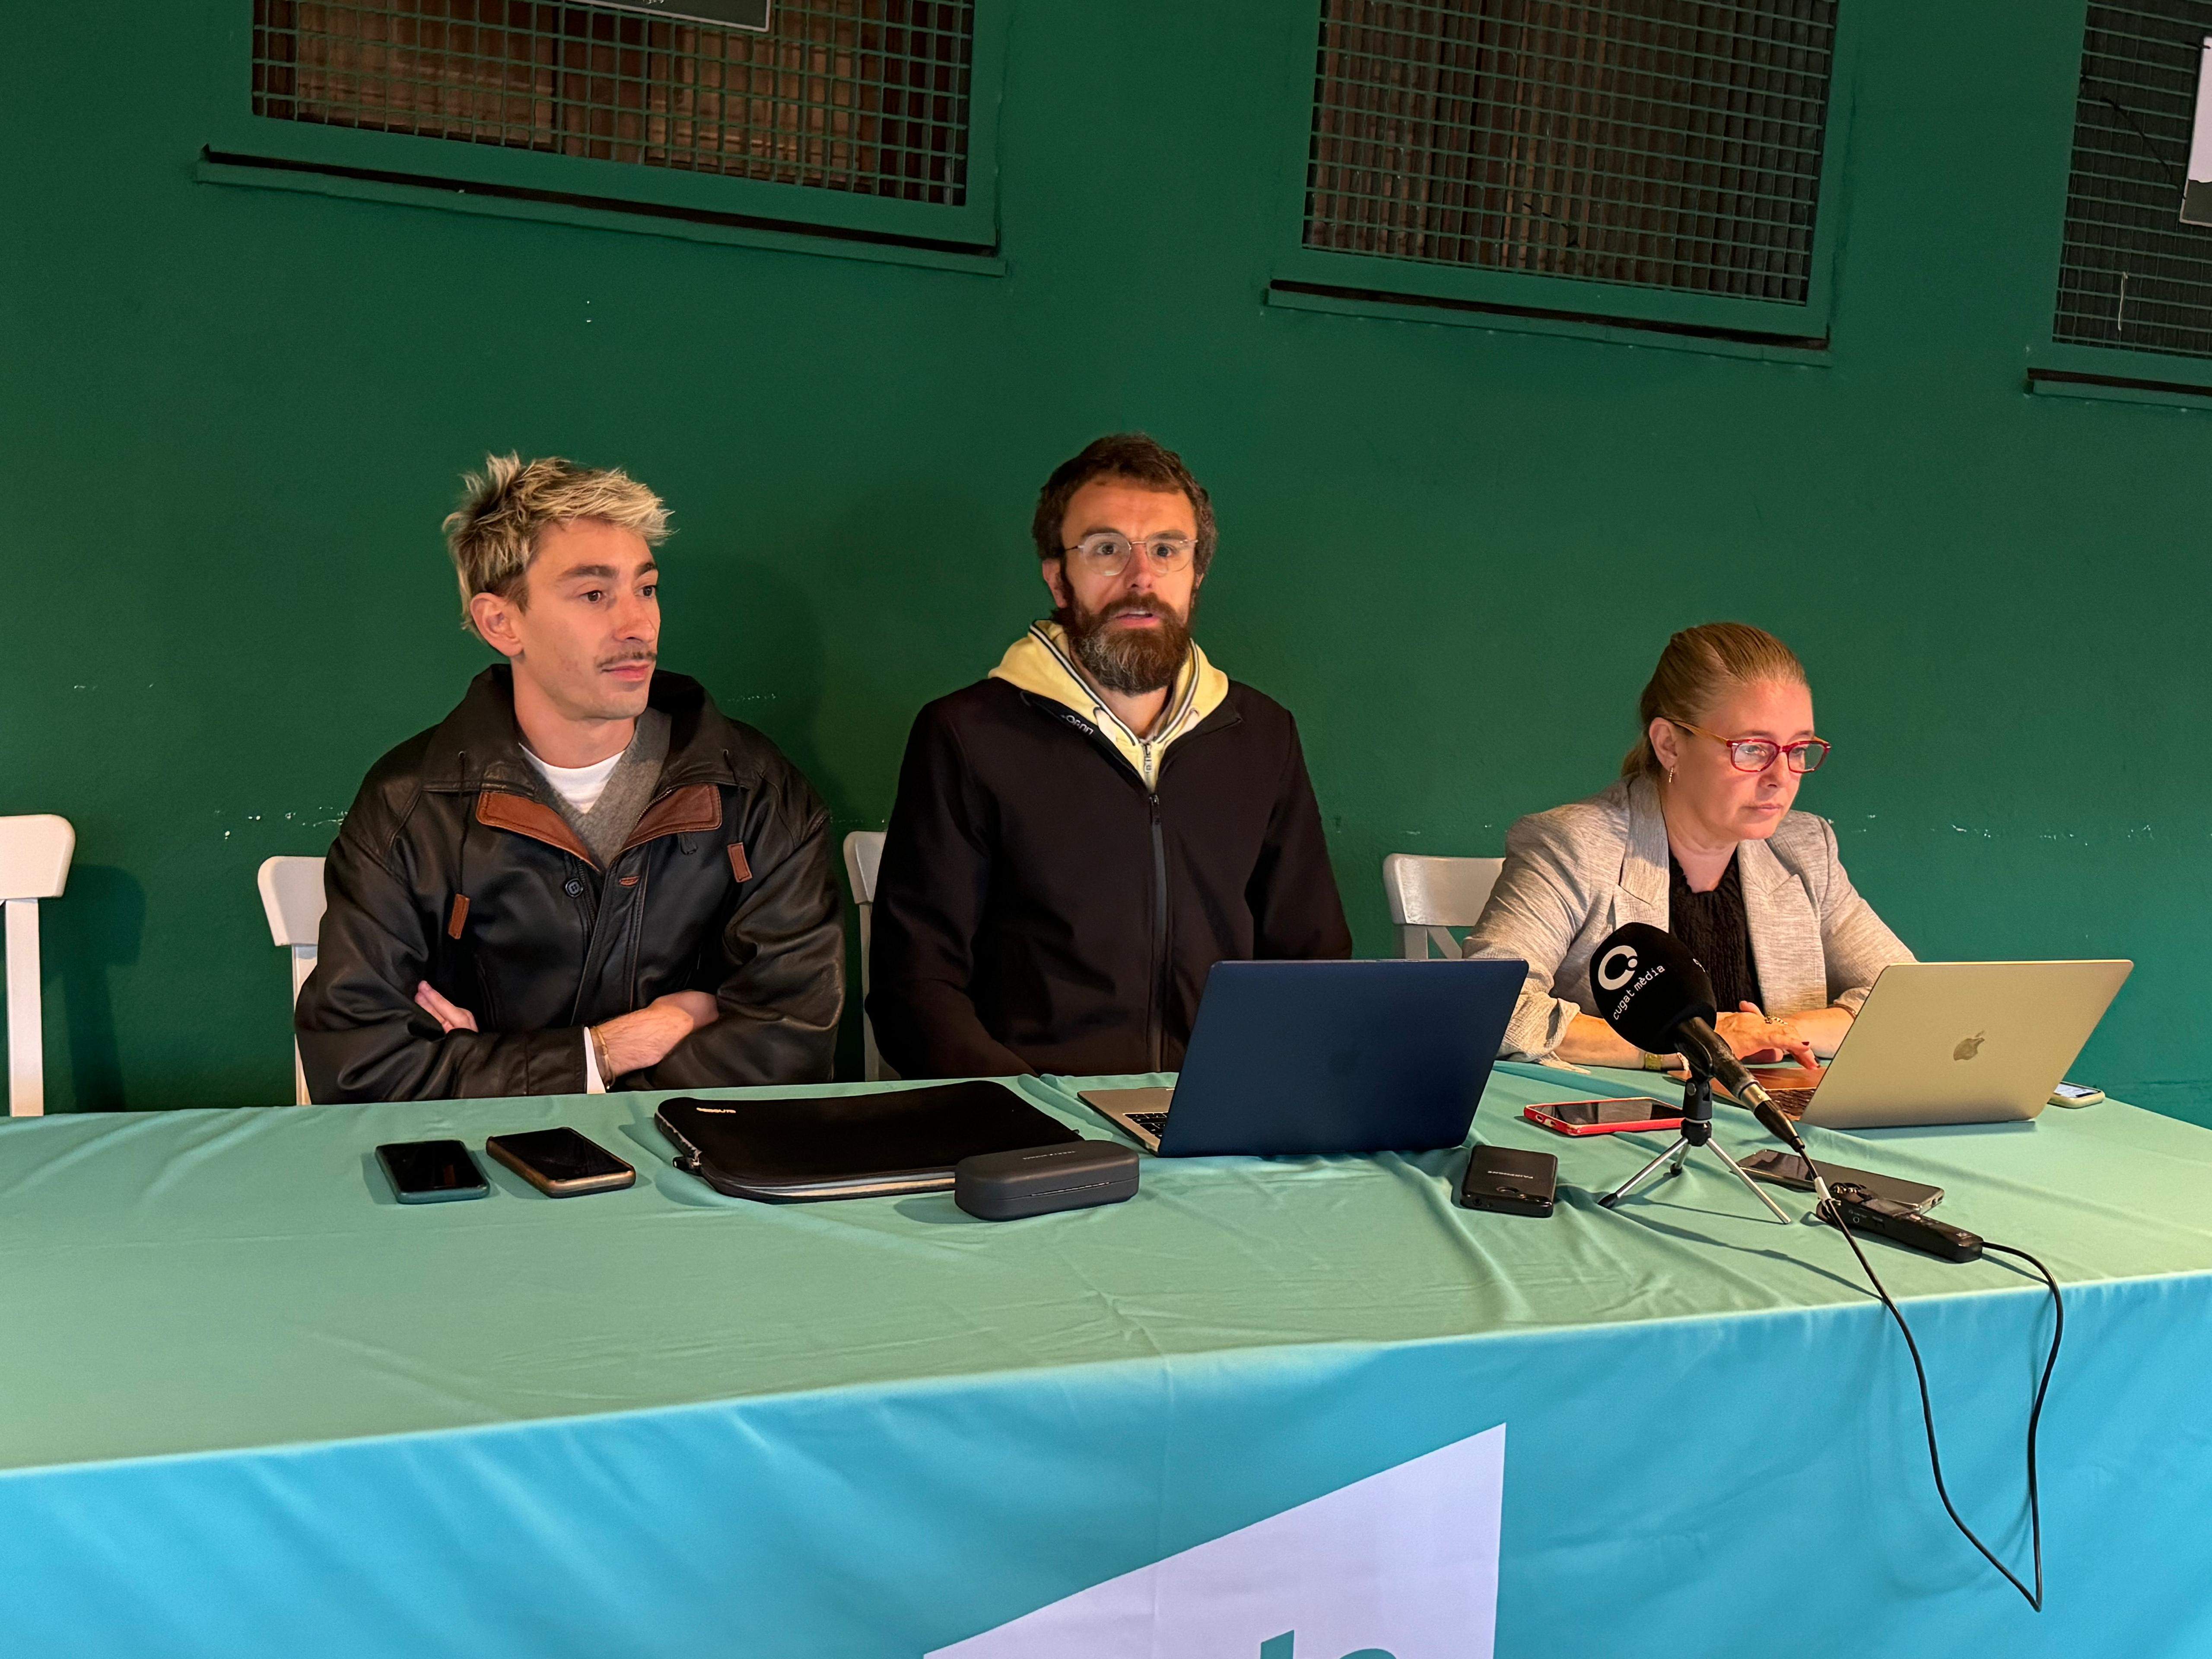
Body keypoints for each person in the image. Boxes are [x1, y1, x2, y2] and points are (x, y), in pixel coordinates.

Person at [296, 454, 842, 1103]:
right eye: (594, 594)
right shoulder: (412, 805)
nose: (638, 625)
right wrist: (612, 1050)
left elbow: (790, 1047)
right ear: (502, 622)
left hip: (694, 1178)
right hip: (483, 1181)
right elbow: (360, 1069)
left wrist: (485, 1064)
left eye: (646, 588)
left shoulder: (756, 792)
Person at [868, 432, 1352, 1078]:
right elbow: (915, 990)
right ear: (1058, 578)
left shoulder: (1261, 733)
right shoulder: (966, 734)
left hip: (1222, 1124)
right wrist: (1033, 1114)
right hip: (1038, 1123)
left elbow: (1312, 962)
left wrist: (1261, 1099)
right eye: (1106, 550)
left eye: (1166, 550)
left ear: (1196, 573)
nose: (1141, 577)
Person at [1463, 621, 1911, 1070]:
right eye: (1752, 749)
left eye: (1797, 749)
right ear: (1669, 745)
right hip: (1620, 1126)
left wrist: (1772, 1032)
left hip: (1771, 1120)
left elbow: (1905, 997)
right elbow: (1488, 1008)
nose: (1780, 776)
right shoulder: (1574, 846)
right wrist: (1688, 1046)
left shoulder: (1805, 849)